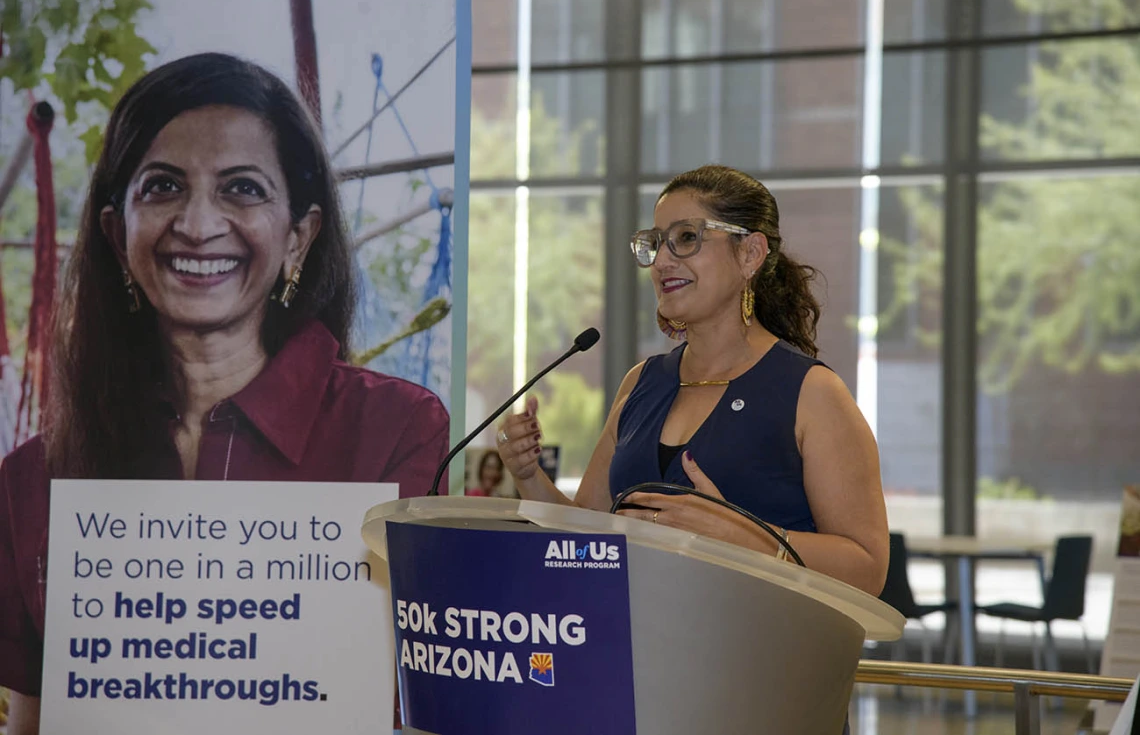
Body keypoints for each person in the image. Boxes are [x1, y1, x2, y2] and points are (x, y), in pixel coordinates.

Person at [0, 53, 449, 733]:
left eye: (242, 188)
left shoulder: (395, 432)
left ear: (299, 238)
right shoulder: (32, 482)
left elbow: (420, 697)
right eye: (162, 187)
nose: (199, 222)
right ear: (117, 235)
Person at [497, 164, 888, 597]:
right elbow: (587, 539)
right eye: (656, 243)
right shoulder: (641, 383)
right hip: (637, 651)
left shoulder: (810, 392)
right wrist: (528, 475)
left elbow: (868, 571)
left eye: (687, 238)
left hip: (758, 654)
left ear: (750, 254)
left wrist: (745, 537)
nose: (662, 261)